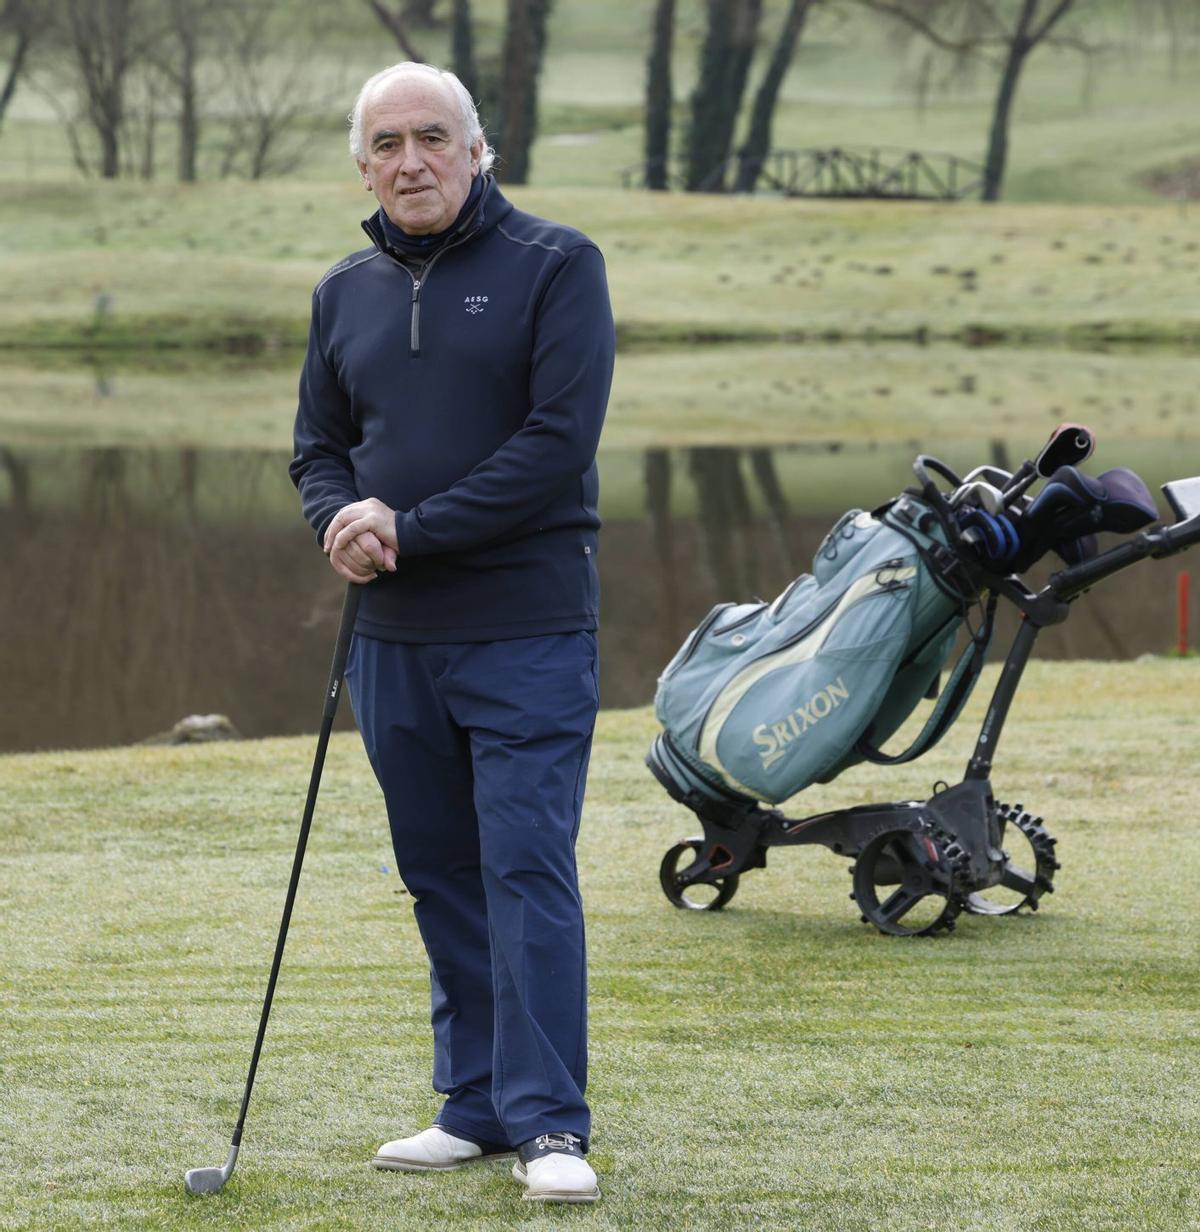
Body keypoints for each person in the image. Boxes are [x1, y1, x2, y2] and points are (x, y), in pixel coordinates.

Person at [289, 61, 614, 1205]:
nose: (411, 160)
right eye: (387, 143)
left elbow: (554, 444)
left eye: (434, 137)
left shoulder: (556, 266)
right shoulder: (343, 289)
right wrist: (339, 520)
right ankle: (472, 1104)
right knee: (439, 869)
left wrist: (409, 527)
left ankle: (548, 1123)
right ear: (362, 163)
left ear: (482, 151)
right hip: (393, 638)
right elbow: (318, 448)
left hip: (525, 626)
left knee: (525, 863)